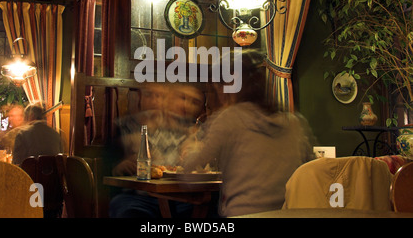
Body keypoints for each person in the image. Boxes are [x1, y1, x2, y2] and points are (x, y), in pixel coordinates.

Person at [181, 49, 316, 218]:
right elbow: (312, 169)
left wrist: (191, 148)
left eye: (218, 86)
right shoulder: (294, 122)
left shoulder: (229, 118)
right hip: (287, 212)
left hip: (242, 214)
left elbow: (188, 174)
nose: (219, 93)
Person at [109, 83, 206, 218]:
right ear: (139, 97)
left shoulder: (196, 130)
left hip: (183, 197)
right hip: (139, 198)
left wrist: (199, 152)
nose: (155, 101)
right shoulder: (126, 125)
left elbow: (207, 164)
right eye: (149, 95)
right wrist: (119, 166)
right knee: (125, 208)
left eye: (160, 96)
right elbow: (107, 169)